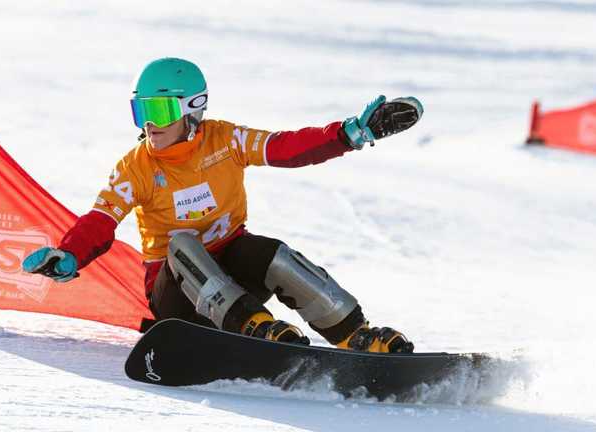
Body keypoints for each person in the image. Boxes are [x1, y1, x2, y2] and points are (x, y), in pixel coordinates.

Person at [22, 57, 422, 353]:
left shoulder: (224, 140)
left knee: (268, 252)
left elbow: (284, 148)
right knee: (181, 243)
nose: (150, 124)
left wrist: (346, 135)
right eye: (142, 110)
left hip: (233, 278)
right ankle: (254, 329)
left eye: (160, 110)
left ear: (192, 110)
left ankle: (356, 335)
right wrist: (69, 253)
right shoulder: (136, 167)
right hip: (178, 298)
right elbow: (100, 219)